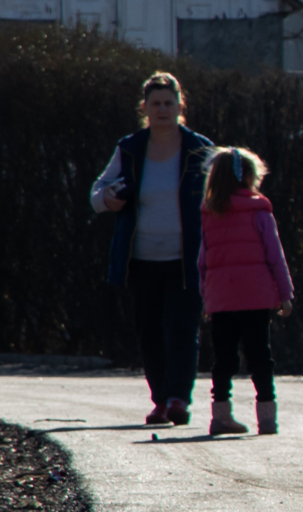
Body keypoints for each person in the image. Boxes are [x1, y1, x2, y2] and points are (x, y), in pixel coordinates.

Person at [89, 70, 216, 427]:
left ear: (180, 106)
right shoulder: (130, 148)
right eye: (156, 103)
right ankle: (159, 400)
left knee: (183, 329)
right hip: (141, 259)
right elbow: (97, 193)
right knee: (149, 331)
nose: (163, 109)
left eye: (169, 103)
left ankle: (178, 399)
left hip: (186, 259)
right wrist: (107, 201)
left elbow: (218, 197)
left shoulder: (199, 148)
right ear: (145, 108)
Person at [195, 146, 293, 436]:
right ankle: (267, 418)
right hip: (257, 297)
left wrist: (206, 297)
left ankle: (221, 416)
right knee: (260, 356)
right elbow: (275, 256)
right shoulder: (260, 211)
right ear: (249, 177)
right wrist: (285, 293)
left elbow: (203, 261)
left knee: (224, 358)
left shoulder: (209, 213)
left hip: (222, 299)